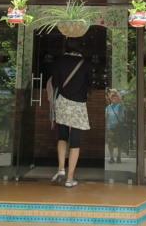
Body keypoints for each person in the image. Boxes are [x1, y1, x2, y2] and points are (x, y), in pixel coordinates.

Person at [49, 38, 91, 188]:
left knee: (62, 136)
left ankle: (61, 169)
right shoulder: (85, 64)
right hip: (78, 104)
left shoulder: (59, 61)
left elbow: (55, 83)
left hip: (62, 102)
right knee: (75, 140)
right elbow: (89, 84)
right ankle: (69, 179)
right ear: (80, 47)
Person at [106, 89, 125, 164]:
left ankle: (119, 157)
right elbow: (107, 118)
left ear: (118, 98)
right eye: (113, 97)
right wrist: (107, 127)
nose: (114, 98)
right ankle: (111, 157)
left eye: (115, 97)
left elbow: (121, 117)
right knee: (110, 143)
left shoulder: (120, 106)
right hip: (110, 128)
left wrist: (115, 92)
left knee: (119, 142)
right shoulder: (108, 107)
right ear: (111, 99)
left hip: (118, 127)